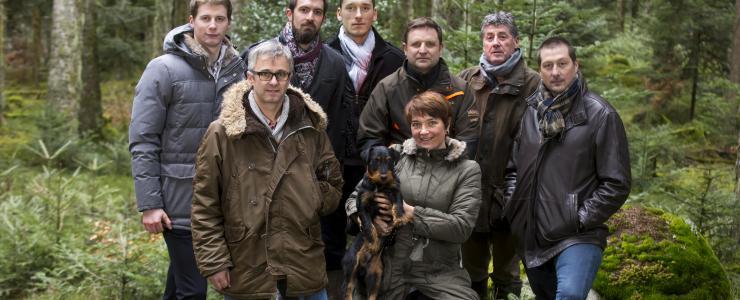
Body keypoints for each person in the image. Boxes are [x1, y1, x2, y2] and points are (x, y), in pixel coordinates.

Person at [191, 40, 344, 300]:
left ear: (289, 78)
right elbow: (204, 204)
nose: (273, 82)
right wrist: (215, 262)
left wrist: (310, 196)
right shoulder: (222, 133)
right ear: (250, 77)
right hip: (248, 263)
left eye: (281, 74)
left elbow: (333, 184)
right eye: (265, 74)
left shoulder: (310, 127)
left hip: (302, 259)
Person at [128, 0, 244, 298]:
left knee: (180, 286)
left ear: (229, 23)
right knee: (193, 290)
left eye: (220, 18)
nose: (213, 25)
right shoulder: (163, 69)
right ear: (191, 21)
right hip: (177, 200)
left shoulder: (238, 70)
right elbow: (143, 139)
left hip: (220, 197)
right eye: (206, 18)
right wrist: (149, 203)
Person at [503, 36, 631, 299]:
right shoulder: (531, 112)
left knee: (570, 295)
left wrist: (579, 218)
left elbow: (617, 183)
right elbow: (514, 168)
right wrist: (514, 205)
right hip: (533, 233)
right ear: (540, 70)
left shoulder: (601, 115)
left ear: (576, 65)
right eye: (548, 65)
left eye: (562, 63)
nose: (556, 72)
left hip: (578, 236)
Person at [240, 2, 352, 289]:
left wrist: (324, 184)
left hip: (315, 181)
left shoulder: (335, 63)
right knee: (268, 258)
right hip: (265, 181)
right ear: (290, 14)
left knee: (325, 257)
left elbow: (340, 125)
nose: (310, 17)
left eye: (316, 12)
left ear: (324, 18)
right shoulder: (259, 56)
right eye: (304, 10)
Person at [346, 91, 482, 299]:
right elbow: (353, 200)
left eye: (431, 123)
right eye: (416, 124)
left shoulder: (466, 170)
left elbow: (461, 227)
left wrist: (410, 213)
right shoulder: (395, 157)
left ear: (447, 125)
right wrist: (370, 221)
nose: (423, 131)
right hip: (387, 270)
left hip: (439, 276)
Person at [457, 12, 539, 300]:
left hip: (514, 196)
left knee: (507, 271)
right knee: (471, 270)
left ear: (516, 42)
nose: (495, 43)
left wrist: (519, 194)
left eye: (502, 36)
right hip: (470, 194)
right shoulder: (466, 79)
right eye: (489, 37)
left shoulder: (534, 84)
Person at [325, 0, 404, 297]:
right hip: (333, 161)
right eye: (350, 7)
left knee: (380, 233)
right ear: (338, 13)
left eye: (365, 7)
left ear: (375, 13)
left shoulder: (393, 58)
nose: (358, 15)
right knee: (331, 238)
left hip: (378, 165)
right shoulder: (324, 54)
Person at [357, 17, 477, 156]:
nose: (423, 50)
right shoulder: (386, 89)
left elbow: (469, 141)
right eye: (416, 44)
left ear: (441, 48)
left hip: (450, 172)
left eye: (430, 44)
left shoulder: (461, 90)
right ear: (405, 49)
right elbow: (369, 139)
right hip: (401, 171)